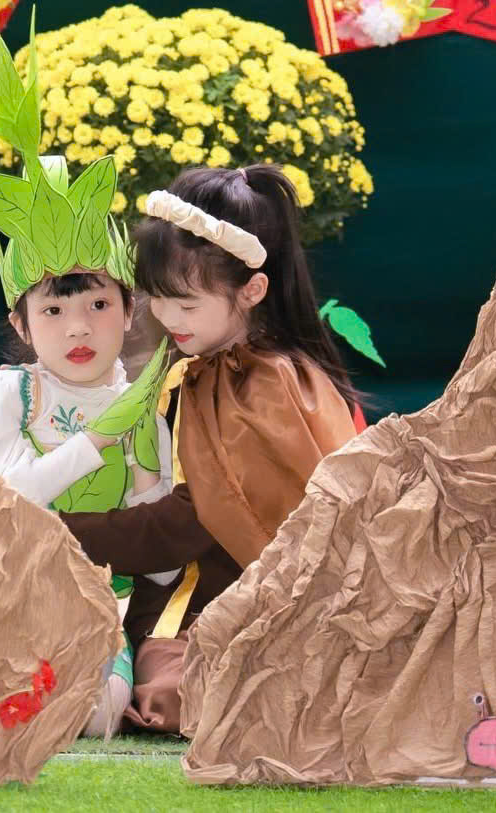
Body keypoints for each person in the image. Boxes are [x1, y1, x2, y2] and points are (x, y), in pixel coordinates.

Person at [60, 164, 364, 732]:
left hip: (222, 606)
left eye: (186, 304)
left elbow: (192, 522)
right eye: (156, 299)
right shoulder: (215, 365)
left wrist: (56, 531)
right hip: (194, 596)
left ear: (252, 290)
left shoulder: (260, 381)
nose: (166, 317)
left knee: (185, 692)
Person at [0, 25, 175, 738]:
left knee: (96, 713)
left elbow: (161, 561)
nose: (78, 328)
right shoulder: (4, 393)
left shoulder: (146, 410)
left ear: (129, 311)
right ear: (22, 321)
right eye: (53, 310)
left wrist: (147, 472)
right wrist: (98, 439)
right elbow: (6, 497)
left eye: (98, 305)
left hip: (97, 610)